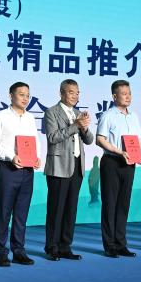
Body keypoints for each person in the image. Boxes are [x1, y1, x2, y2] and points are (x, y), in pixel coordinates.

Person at [0, 82, 42, 266]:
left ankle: (19, 250)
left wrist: (37, 157)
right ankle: (1, 252)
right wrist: (11, 156)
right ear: (11, 95)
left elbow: (35, 141)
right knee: (4, 212)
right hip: (8, 169)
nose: (25, 98)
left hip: (28, 170)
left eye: (28, 95)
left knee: (21, 213)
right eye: (21, 94)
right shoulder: (0, 116)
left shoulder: (30, 118)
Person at [43, 79, 94, 261]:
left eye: (77, 92)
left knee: (71, 209)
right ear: (61, 93)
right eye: (71, 92)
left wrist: (84, 128)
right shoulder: (51, 112)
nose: (75, 96)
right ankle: (52, 247)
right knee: (56, 209)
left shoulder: (78, 114)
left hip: (77, 167)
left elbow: (89, 140)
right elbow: (53, 137)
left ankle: (65, 246)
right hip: (59, 167)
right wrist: (75, 126)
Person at [95, 80, 141, 258]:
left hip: (129, 163)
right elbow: (100, 139)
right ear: (115, 96)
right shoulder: (107, 115)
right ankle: (110, 245)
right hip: (112, 162)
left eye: (129, 93)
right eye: (124, 93)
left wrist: (138, 154)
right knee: (110, 204)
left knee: (123, 204)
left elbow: (135, 140)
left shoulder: (134, 116)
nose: (128, 96)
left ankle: (121, 244)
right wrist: (118, 151)